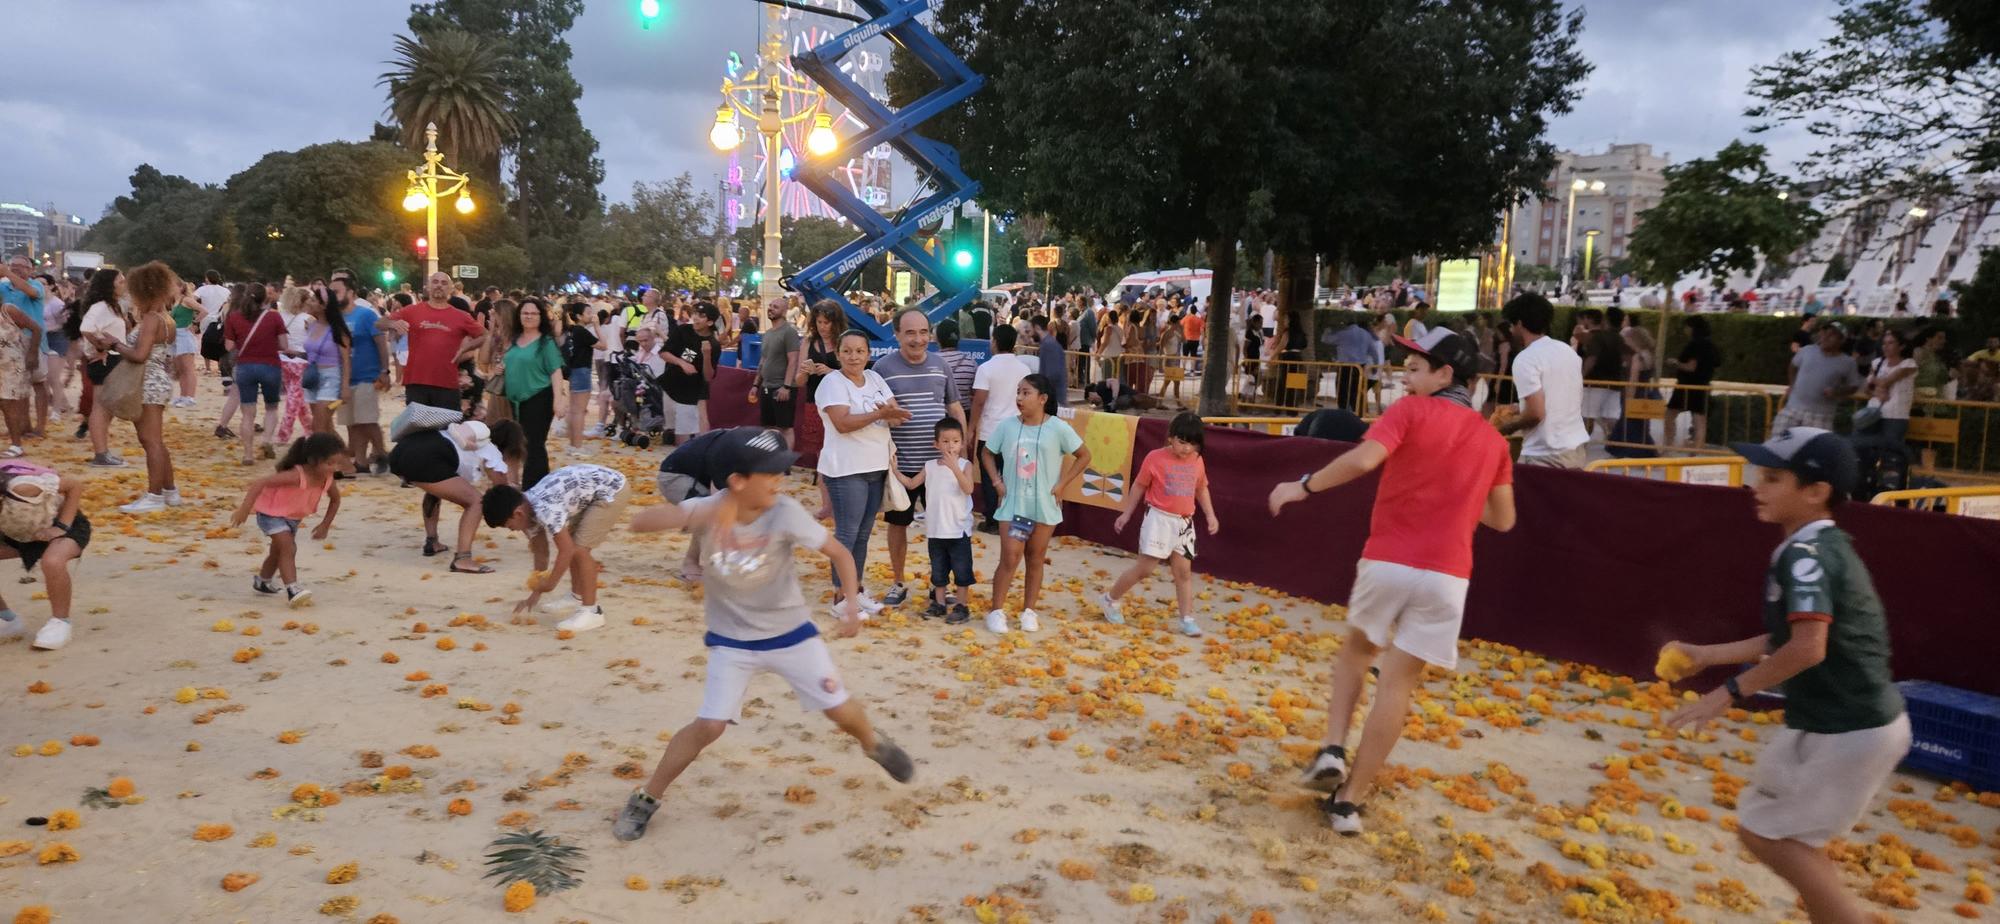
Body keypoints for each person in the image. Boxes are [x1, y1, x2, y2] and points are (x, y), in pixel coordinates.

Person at [612, 427, 915, 843]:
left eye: (781, 472)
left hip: (792, 635)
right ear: (738, 481)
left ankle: (872, 743)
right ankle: (647, 796)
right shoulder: (712, 506)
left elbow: (840, 553)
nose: (780, 481)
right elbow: (640, 522)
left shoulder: (785, 511)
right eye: (770, 474)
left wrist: (850, 605)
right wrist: (687, 515)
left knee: (840, 710)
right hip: (732, 642)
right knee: (710, 725)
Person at [1269, 329, 1515, 835]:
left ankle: (1334, 747)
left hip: (1389, 559)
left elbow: (1362, 460)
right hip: (1449, 575)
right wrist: (1465, 485)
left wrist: (1303, 486)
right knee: (1399, 685)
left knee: (1357, 653)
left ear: (1447, 374)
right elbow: (1502, 520)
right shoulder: (1493, 441)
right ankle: (1349, 803)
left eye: (1417, 366)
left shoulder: (1408, 412)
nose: (1407, 373)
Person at [1663, 428, 1908, 924]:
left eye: (1774, 477)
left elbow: (1808, 647)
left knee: (1772, 834)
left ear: (1816, 492)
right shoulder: (1816, 546)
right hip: (1836, 721)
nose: (1757, 484)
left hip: (1851, 726)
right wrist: (1708, 656)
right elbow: (1789, 638)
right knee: (1774, 830)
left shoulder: (1806, 555)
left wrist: (1726, 693)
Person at [981, 374, 1090, 634]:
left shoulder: (1058, 428)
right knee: (1010, 556)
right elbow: (987, 452)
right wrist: (997, 481)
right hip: (1015, 507)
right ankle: (997, 610)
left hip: (1043, 506)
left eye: (1026, 393)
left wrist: (1063, 484)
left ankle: (1029, 611)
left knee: (1035, 558)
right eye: (1018, 392)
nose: (1019, 398)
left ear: (1043, 399)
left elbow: (1084, 455)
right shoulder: (1007, 426)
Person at [873, 309, 966, 607]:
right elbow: (874, 412)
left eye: (924, 332)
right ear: (897, 334)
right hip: (901, 465)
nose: (918, 339)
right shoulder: (882, 368)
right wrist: (888, 419)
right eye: (910, 333)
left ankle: (938, 583)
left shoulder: (941, 366)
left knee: (942, 527)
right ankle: (898, 581)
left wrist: (961, 451)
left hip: (939, 467)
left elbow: (954, 408)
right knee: (898, 523)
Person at [1098, 412, 1219, 637]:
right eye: (1182, 442)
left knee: (1183, 572)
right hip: (1158, 518)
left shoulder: (1197, 461)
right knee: (1145, 568)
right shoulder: (1155, 457)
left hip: (1184, 522)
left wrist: (1210, 515)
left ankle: (1187, 618)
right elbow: (1139, 486)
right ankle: (1110, 599)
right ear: (1170, 438)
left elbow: (1201, 488)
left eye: (1192, 444)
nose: (1186, 449)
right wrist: (1126, 514)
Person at [814, 330, 908, 615]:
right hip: (846, 469)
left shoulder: (876, 379)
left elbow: (893, 412)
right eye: (847, 351)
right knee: (847, 532)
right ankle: (840, 597)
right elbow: (842, 423)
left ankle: (855, 588)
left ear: (869, 354)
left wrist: (893, 414)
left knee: (863, 534)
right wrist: (880, 415)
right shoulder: (832, 382)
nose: (853, 356)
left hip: (875, 466)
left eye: (859, 351)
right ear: (838, 353)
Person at [482, 463, 629, 632]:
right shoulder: (526, 511)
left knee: (580, 549)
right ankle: (576, 596)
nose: (512, 530)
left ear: (518, 514)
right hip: (588, 490)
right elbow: (541, 551)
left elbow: (566, 550)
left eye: (509, 526)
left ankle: (592, 611)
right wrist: (536, 593)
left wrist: (551, 583)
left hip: (612, 490)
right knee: (574, 543)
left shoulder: (545, 508)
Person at [390, 419, 525, 572]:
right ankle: (463, 559)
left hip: (400, 453)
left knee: (434, 491)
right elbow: (501, 489)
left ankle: (432, 541)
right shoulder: (490, 449)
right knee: (476, 502)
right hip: (424, 459)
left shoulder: (465, 435)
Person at [230, 433, 345, 607]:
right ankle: (293, 588)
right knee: (288, 547)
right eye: (329, 463)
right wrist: (245, 508)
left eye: (337, 463)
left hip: (292, 518)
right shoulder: (295, 476)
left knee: (278, 553)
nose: (334, 468)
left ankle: (263, 581)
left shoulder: (327, 479)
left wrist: (325, 525)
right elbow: (260, 483)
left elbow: (335, 500)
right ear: (313, 460)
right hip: (270, 514)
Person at [892, 418, 976, 624]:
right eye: (945, 441)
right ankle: (939, 603)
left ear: (962, 443)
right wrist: (894, 471)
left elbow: (968, 489)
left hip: (958, 530)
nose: (950, 446)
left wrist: (954, 467)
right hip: (936, 530)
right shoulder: (930, 466)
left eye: (955, 441)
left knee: (962, 569)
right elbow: (912, 484)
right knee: (938, 570)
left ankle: (961, 606)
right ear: (936, 444)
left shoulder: (966, 465)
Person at [0, 460, 90, 650]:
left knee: (53, 561)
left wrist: (61, 526)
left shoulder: (22, 486)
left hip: (62, 524)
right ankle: (6, 619)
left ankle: (60, 622)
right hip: (17, 532)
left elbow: (74, 485)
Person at [115, 263, 183, 513]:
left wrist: (116, 345)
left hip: (147, 381)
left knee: (150, 441)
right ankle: (169, 490)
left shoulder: (151, 319)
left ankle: (154, 495)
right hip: (158, 380)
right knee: (155, 440)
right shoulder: (167, 319)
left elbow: (140, 355)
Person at [1495, 293, 1588, 468]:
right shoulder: (1566, 351)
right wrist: (1519, 407)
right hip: (1576, 449)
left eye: (1511, 325)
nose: (1511, 331)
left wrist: (1504, 428)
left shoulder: (1526, 359)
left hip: (1545, 455)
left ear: (1520, 324)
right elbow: (1560, 397)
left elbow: (1536, 414)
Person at [379, 272, 487, 412]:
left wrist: (467, 348)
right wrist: (393, 324)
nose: (439, 286)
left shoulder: (461, 316)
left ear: (450, 288)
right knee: (418, 431)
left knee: (446, 431)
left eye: (444, 283)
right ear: (428, 287)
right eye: (435, 282)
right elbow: (380, 323)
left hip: (447, 383)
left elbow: (484, 335)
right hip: (416, 381)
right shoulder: (412, 311)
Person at [331, 271, 391, 475]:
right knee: (351, 422)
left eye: (337, 291)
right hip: (346, 377)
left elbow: (381, 343)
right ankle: (361, 461)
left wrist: (384, 370)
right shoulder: (336, 318)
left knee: (367, 419)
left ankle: (382, 454)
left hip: (367, 374)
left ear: (350, 292)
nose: (333, 295)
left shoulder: (365, 314)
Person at [502, 298, 564, 488]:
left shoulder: (545, 343)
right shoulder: (514, 340)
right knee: (522, 444)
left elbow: (556, 371)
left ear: (541, 317)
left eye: (533, 313)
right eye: (525, 313)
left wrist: (559, 400)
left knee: (534, 445)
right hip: (515, 400)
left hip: (539, 397)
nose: (528, 316)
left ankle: (534, 489)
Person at [1773, 323, 1861, 435]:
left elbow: (1854, 386)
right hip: (1792, 409)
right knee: (1777, 443)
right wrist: (1792, 385)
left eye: (1832, 335)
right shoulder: (1807, 350)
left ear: (1841, 340)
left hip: (1821, 416)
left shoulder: (1848, 363)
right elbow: (1792, 366)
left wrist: (1838, 392)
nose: (1825, 337)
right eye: (1824, 333)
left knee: (1815, 450)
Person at [298, 287, 352, 439]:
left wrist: (345, 387)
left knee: (319, 425)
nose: (309, 302)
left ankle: (321, 459)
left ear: (323, 306)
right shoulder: (311, 325)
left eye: (314, 300)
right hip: (313, 378)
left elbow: (346, 360)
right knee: (325, 426)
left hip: (331, 379)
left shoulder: (338, 330)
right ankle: (339, 455)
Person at [661, 303, 719, 444]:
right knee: (674, 429)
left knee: (686, 430)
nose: (696, 318)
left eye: (701, 316)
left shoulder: (713, 344)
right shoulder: (683, 330)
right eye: (695, 314)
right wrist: (682, 363)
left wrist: (706, 355)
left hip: (693, 390)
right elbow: (663, 353)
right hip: (671, 384)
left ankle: (695, 454)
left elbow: (708, 376)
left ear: (710, 322)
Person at [1664, 315, 1723, 449]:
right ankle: (1696, 452)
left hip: (1687, 385)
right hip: (1703, 385)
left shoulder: (1694, 345)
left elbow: (1691, 367)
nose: (1685, 330)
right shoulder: (1712, 346)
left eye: (1687, 327)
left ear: (1692, 328)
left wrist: (1675, 363)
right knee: (1699, 420)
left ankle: (1668, 445)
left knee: (1669, 415)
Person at [755, 298, 802, 445]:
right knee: (767, 427)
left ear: (784, 311)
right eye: (770, 305)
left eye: (775, 307)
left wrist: (786, 387)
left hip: (782, 387)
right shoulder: (768, 333)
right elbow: (763, 360)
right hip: (766, 386)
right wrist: (756, 384)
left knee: (785, 428)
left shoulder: (789, 332)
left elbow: (793, 360)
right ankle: (771, 461)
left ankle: (786, 464)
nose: (771, 308)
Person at [272, 286, 314, 444]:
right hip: (300, 360)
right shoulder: (308, 319)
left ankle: (310, 430)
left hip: (282, 359)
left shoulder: (279, 316)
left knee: (297, 398)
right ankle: (284, 433)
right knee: (294, 398)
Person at [1576, 309, 1625, 439]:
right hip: (1615, 381)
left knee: (1586, 414)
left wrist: (1581, 376)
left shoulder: (1596, 338)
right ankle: (1616, 441)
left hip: (1595, 382)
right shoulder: (1618, 337)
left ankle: (1582, 443)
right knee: (1610, 416)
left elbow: (1592, 358)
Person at [1331, 318, 1382, 415]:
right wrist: (1375, 366)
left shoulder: (1344, 333)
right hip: (1359, 367)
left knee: (1342, 391)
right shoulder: (1366, 335)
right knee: (1356, 392)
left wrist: (1330, 329)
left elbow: (1326, 339)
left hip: (1344, 367)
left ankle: (1343, 413)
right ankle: (1358, 413)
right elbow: (1373, 352)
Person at [169, 282, 204, 408]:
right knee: (180, 368)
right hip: (175, 335)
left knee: (188, 367)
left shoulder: (187, 300)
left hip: (184, 334)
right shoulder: (175, 302)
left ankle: (190, 397)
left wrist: (194, 323)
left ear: (180, 287)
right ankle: (183, 395)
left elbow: (203, 310)